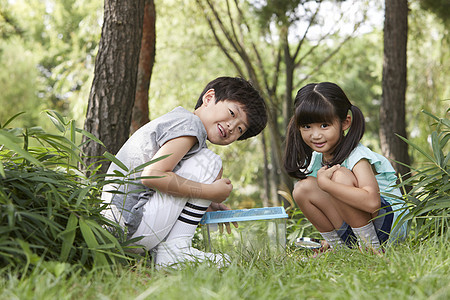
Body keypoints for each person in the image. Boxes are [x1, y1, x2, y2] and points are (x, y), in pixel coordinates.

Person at [101, 76, 267, 268]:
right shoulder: (189, 126)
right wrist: (208, 191)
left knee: (205, 162)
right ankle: (174, 252)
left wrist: (208, 203)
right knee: (210, 161)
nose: (231, 127)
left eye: (240, 129)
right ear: (209, 97)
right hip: (129, 226)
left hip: (117, 230)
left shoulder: (180, 121)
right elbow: (152, 175)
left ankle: (170, 252)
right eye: (231, 113)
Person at [283, 82, 407, 252]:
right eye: (307, 127)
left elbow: (372, 202)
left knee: (339, 176)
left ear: (345, 122)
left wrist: (327, 185)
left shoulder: (357, 155)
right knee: (302, 189)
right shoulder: (317, 157)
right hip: (363, 223)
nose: (316, 135)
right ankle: (341, 249)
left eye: (324, 125)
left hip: (389, 225)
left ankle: (371, 249)